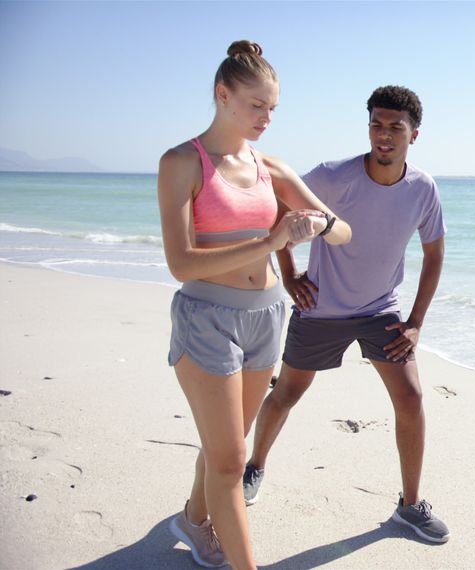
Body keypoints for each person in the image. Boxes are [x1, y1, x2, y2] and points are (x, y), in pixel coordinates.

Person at [157, 40, 351, 569]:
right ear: (223, 95)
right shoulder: (182, 162)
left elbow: (343, 232)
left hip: (266, 316)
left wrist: (318, 223)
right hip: (207, 318)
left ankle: (193, 521)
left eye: (273, 108)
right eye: (257, 105)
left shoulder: (272, 168)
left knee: (227, 446)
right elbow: (181, 263)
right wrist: (272, 240)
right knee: (230, 461)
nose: (266, 118)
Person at [242, 85, 449, 543]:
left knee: (411, 398)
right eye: (377, 124)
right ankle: (253, 467)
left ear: (414, 135)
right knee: (288, 392)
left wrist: (416, 323)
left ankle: (410, 506)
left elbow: (434, 255)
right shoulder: (333, 176)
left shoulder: (423, 188)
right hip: (322, 309)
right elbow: (279, 209)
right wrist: (290, 273)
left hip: (381, 311)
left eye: (395, 127)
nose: (384, 134)